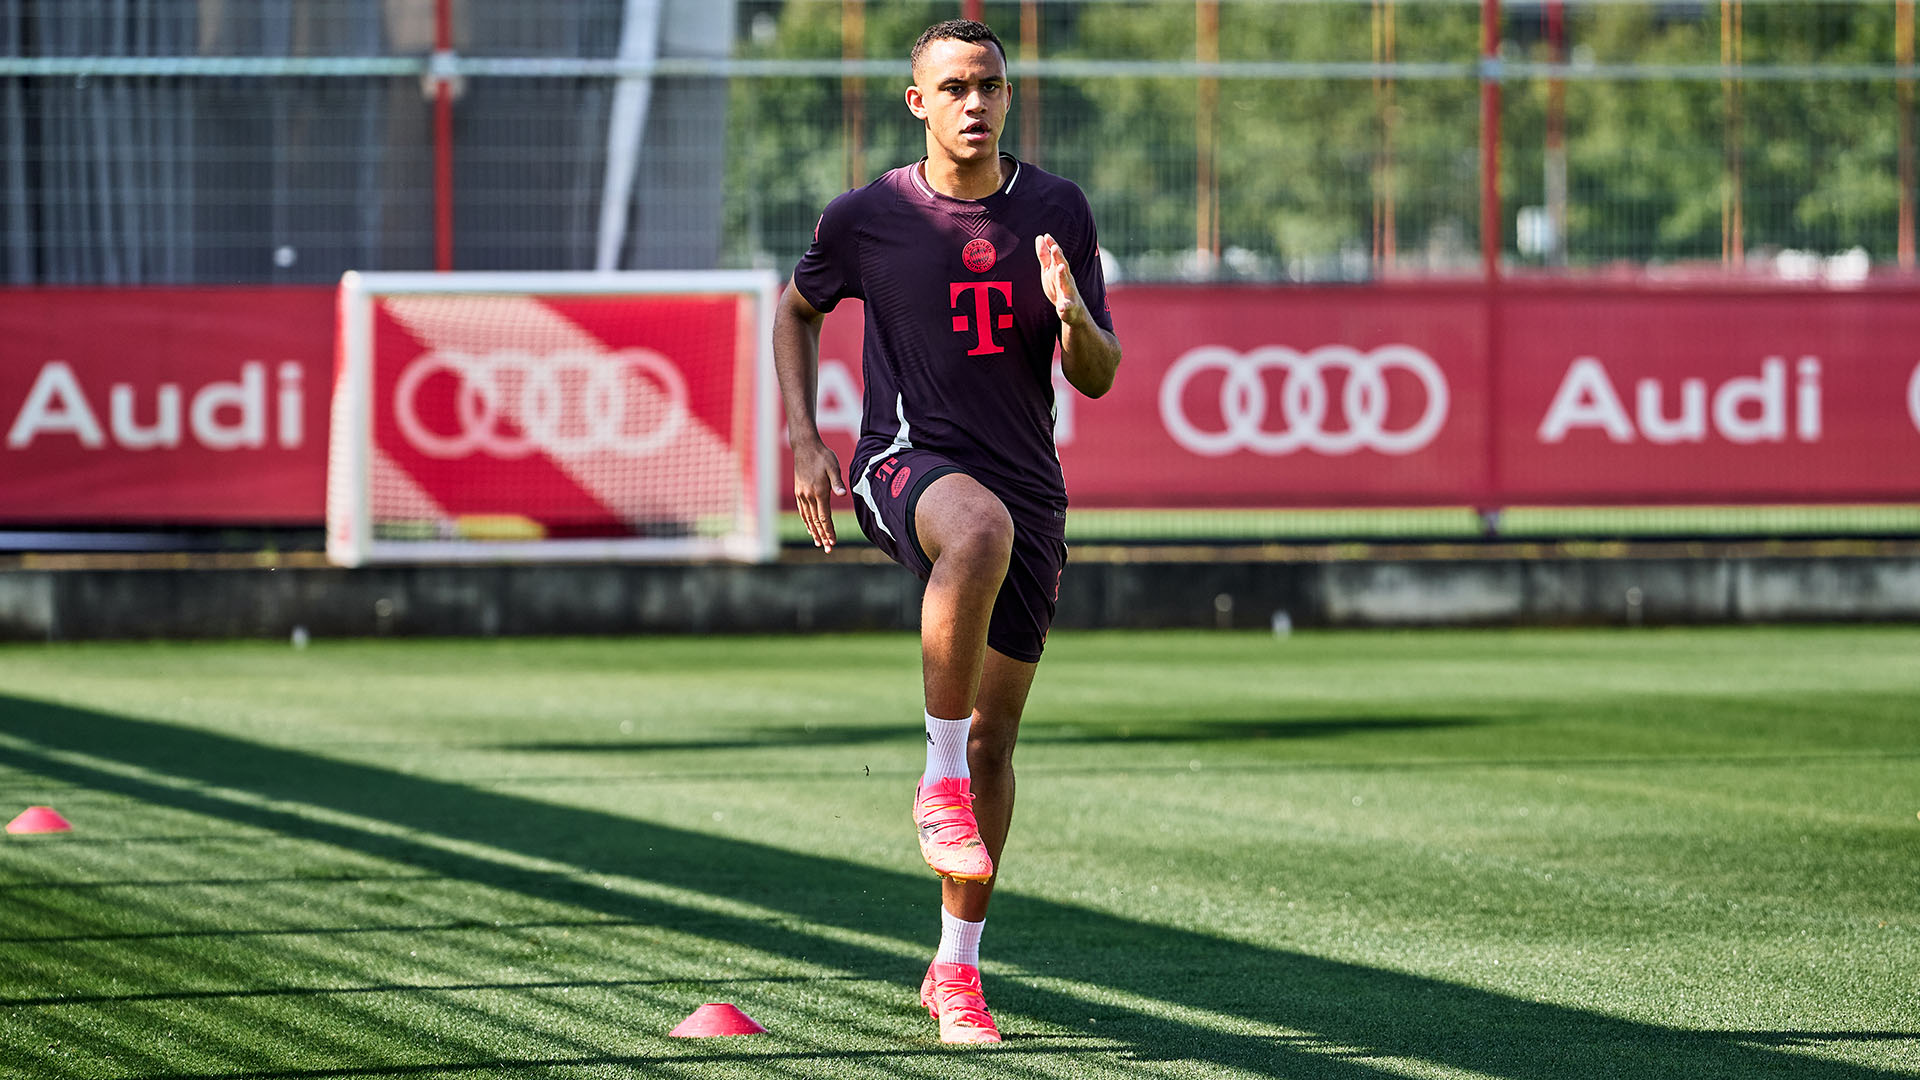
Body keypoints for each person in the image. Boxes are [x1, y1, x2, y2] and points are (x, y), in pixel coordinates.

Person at [772, 17, 1122, 1045]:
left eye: (993, 86)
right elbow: (795, 309)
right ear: (918, 101)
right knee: (971, 530)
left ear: (1010, 97)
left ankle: (956, 973)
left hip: (1033, 496)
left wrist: (1072, 317)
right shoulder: (870, 215)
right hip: (902, 465)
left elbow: (1096, 377)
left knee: (999, 739)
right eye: (956, 86)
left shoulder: (1057, 210)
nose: (977, 103)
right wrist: (804, 438)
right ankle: (935, 776)